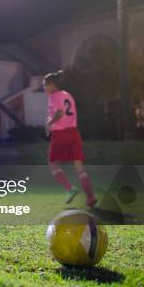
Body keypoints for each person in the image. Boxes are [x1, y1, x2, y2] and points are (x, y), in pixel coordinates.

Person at [44, 70, 97, 208]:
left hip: (61, 134)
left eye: (45, 85)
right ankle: (91, 197)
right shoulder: (68, 95)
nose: (44, 88)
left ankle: (70, 189)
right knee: (79, 166)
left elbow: (60, 112)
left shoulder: (54, 96)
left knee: (52, 163)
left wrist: (50, 123)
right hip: (74, 133)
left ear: (52, 85)